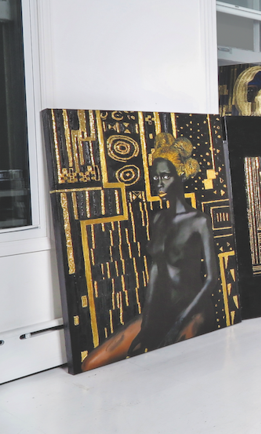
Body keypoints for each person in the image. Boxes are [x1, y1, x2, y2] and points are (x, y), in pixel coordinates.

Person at [81, 132, 219, 371]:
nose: (158, 182)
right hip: (160, 309)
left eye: (165, 176)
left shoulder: (199, 221)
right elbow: (156, 271)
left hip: (193, 310)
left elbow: (212, 279)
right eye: (156, 176)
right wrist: (148, 320)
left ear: (180, 176)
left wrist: (178, 323)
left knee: (170, 368)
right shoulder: (157, 219)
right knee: (89, 364)